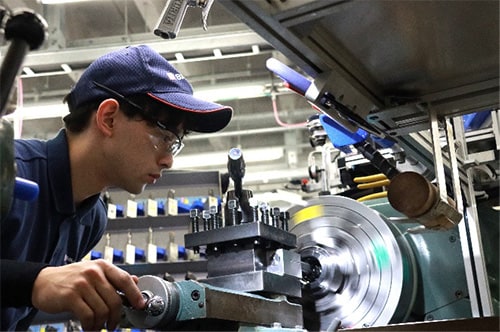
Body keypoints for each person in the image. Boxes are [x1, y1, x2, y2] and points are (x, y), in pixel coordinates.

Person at [0, 44, 233, 331]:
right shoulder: (10, 169)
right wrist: (35, 281)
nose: (169, 160)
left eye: (176, 143)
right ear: (108, 118)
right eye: (164, 136)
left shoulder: (92, 218)